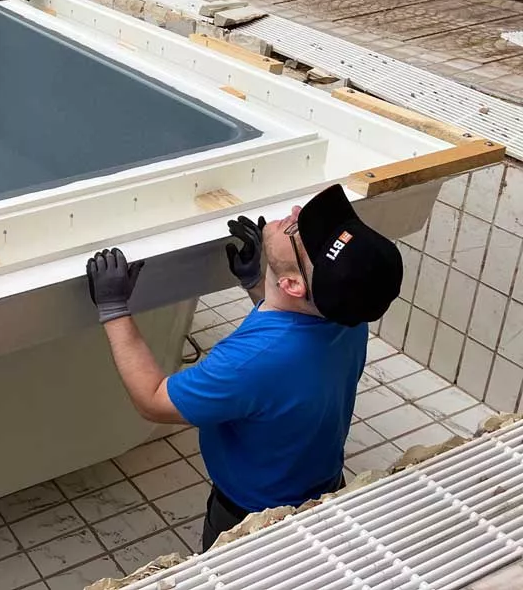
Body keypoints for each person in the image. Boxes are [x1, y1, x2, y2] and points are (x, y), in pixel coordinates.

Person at [85, 184, 402, 552]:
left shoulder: (249, 364)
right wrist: (256, 282)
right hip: (324, 485)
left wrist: (113, 309)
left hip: (253, 519)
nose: (295, 212)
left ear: (292, 284)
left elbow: (154, 400)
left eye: (297, 231)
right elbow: (294, 340)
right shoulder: (348, 318)